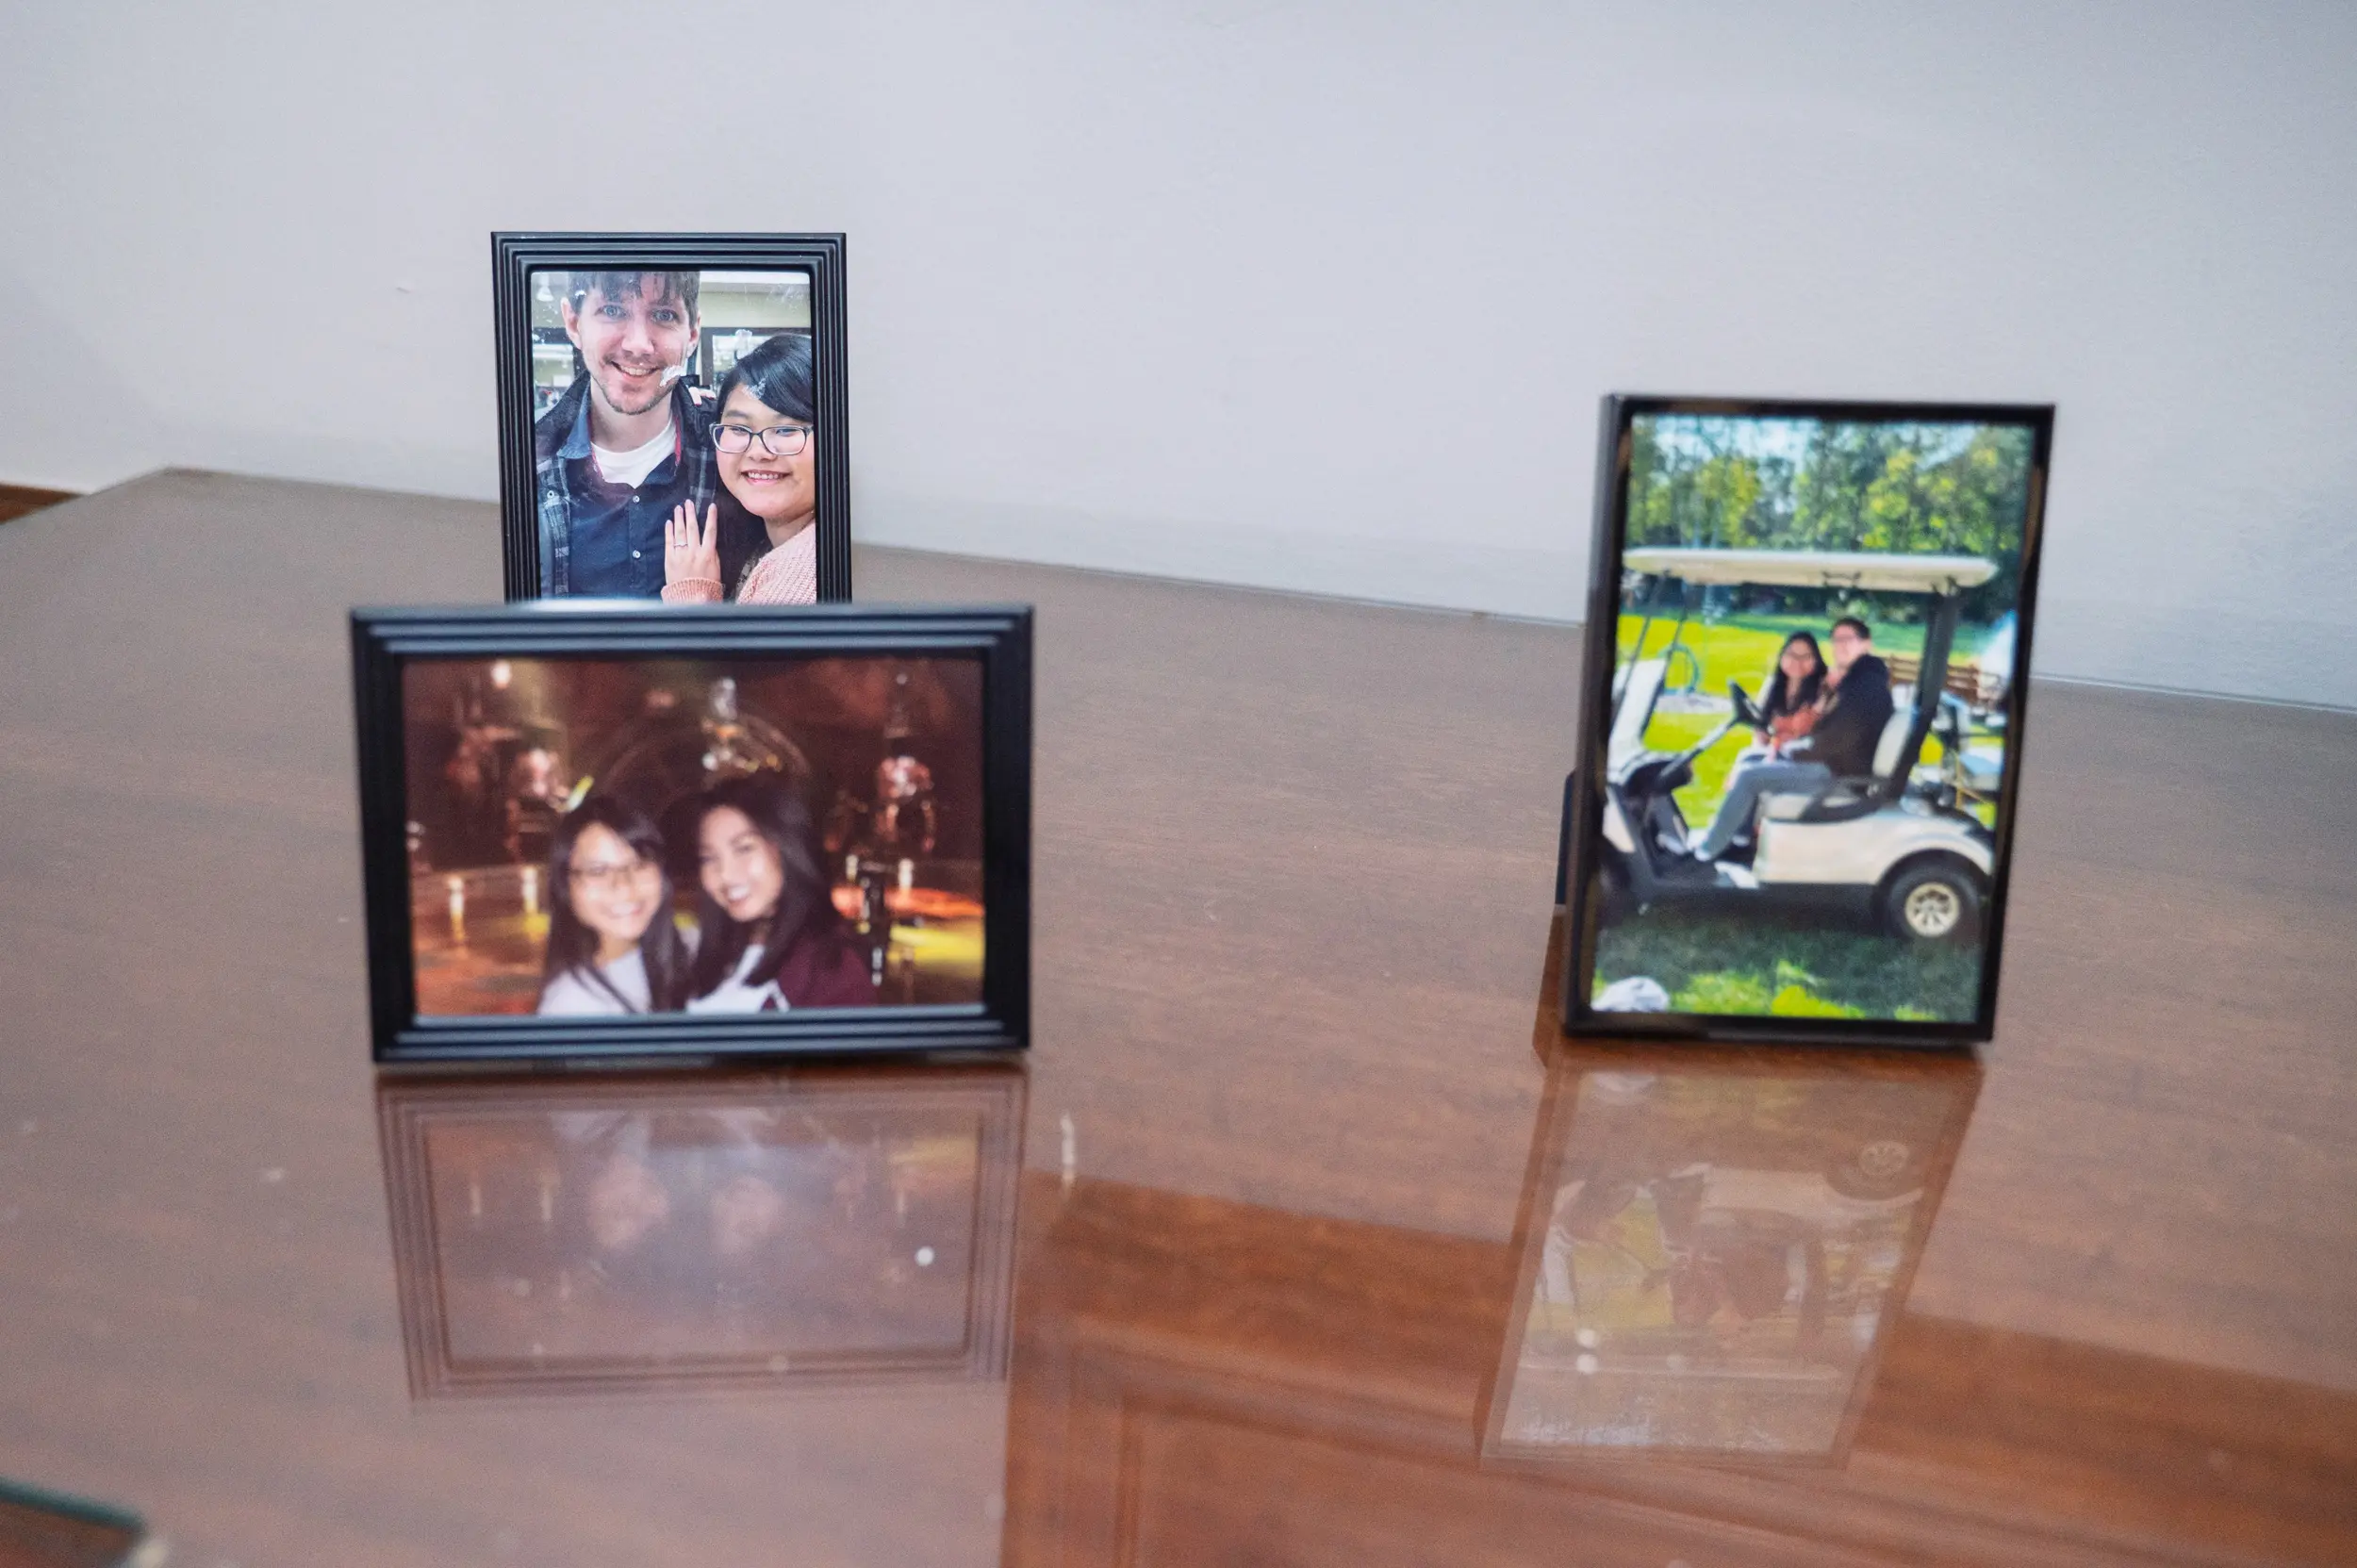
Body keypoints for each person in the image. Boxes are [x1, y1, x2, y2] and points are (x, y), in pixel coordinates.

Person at [531, 271, 721, 598]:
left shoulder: (731, 450)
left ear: (692, 334)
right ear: (573, 323)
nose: (638, 345)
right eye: (612, 310)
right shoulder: (527, 455)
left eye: (664, 315)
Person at [1689, 618, 1892, 861]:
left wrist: (1788, 752)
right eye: (1837, 639)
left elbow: (1832, 742)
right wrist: (1786, 750)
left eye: (1849, 639)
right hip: (1834, 765)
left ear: (1866, 644)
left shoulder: (1865, 688)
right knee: (1751, 759)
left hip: (1837, 775)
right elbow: (1829, 739)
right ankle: (1738, 839)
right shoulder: (1857, 681)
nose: (1841, 646)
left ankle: (1705, 853)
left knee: (1748, 776)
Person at [684, 775, 877, 1013]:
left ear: (788, 848)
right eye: (709, 858)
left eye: (744, 849)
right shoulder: (699, 953)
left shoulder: (833, 971)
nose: (725, 875)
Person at [661, 332, 820, 605]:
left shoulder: (800, 572)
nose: (759, 452)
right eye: (738, 428)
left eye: (785, 429)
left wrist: (694, 600)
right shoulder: (766, 544)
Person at [536, 797, 693, 1015]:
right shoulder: (572, 1006)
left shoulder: (695, 949)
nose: (623, 885)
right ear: (565, 887)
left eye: (638, 864)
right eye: (598, 871)